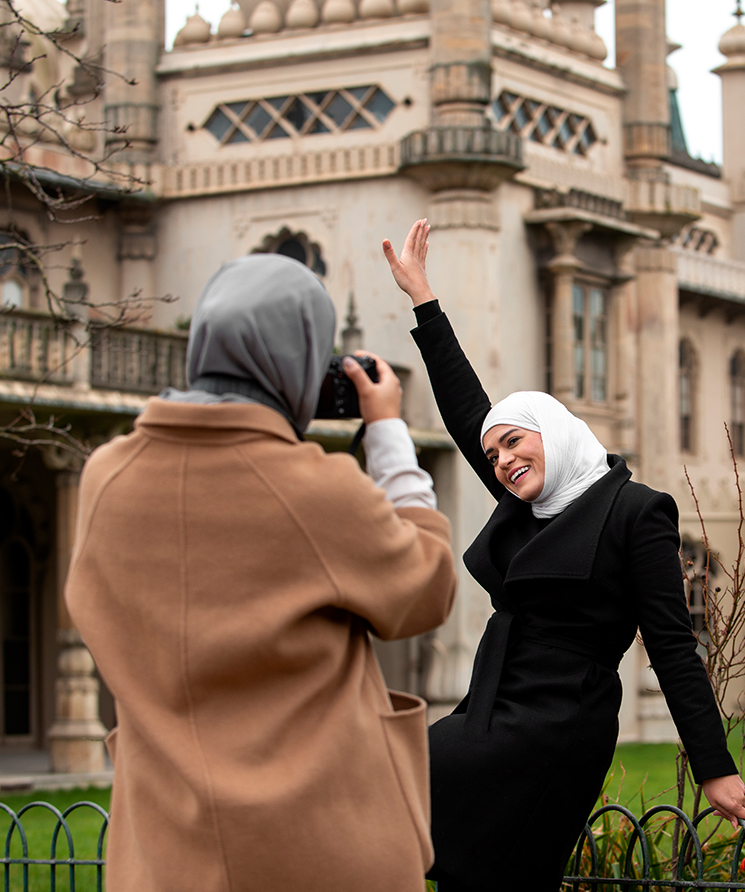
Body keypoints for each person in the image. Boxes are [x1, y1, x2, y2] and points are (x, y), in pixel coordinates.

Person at [65, 254, 457, 892]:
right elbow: (427, 584)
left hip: (165, 855)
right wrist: (386, 429)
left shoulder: (107, 478)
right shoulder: (317, 492)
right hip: (321, 850)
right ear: (300, 359)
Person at [382, 220, 745, 892]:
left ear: (553, 431)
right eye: (492, 454)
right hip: (490, 711)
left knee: (388, 778)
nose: (502, 459)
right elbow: (469, 407)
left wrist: (713, 764)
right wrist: (423, 299)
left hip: (554, 727)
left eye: (516, 441)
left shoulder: (636, 511)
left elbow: (673, 646)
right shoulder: (526, 504)